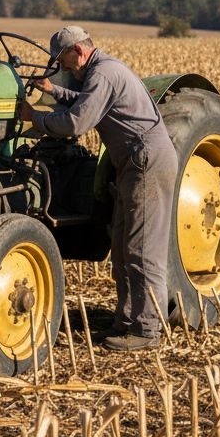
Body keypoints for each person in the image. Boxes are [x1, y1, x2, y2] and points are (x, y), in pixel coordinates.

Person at [18, 26, 178, 350]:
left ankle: (146, 332)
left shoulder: (103, 73)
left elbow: (77, 122)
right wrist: (54, 91)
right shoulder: (103, 71)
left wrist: (35, 118)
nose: (62, 67)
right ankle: (127, 321)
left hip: (144, 160)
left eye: (62, 60)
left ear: (77, 51)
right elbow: (87, 102)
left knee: (141, 249)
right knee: (121, 247)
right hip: (133, 162)